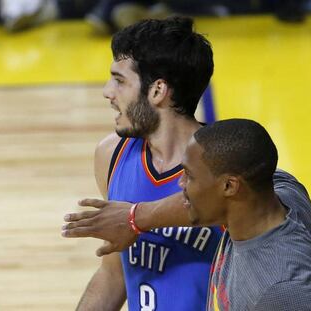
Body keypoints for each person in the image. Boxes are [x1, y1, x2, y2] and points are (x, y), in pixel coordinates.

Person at [64, 119, 311, 310]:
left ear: (229, 186)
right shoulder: (283, 195)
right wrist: (136, 217)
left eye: (190, 177)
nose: (180, 186)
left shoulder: (282, 291)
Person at [70, 16, 223, 310]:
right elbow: (113, 274)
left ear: (157, 90)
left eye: (119, 80)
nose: (107, 91)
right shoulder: (111, 155)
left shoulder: (222, 163)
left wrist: (135, 217)